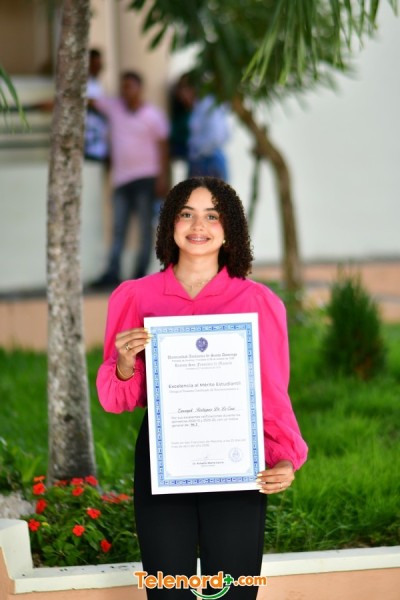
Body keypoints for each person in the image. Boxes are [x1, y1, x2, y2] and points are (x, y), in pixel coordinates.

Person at [96, 177, 308, 599]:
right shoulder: (135, 297)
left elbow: (271, 392)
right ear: (169, 224)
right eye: (186, 213)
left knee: (232, 590)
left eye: (212, 215)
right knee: (168, 589)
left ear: (230, 230)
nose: (198, 225)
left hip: (237, 456)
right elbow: (118, 399)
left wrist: (284, 457)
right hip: (164, 456)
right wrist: (124, 364)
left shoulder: (258, 302)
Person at [90, 71, 169, 288]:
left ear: (140, 89)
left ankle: (140, 274)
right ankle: (112, 272)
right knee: (118, 228)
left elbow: (164, 149)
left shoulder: (153, 115)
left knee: (144, 228)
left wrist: (163, 179)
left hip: (146, 179)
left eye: (130, 86)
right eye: (123, 87)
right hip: (121, 180)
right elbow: (90, 102)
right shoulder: (114, 108)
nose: (126, 91)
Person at [84, 48, 109, 162]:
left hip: (99, 138)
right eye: (95, 64)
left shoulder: (97, 83)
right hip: (88, 138)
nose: (99, 67)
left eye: (99, 64)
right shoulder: (82, 83)